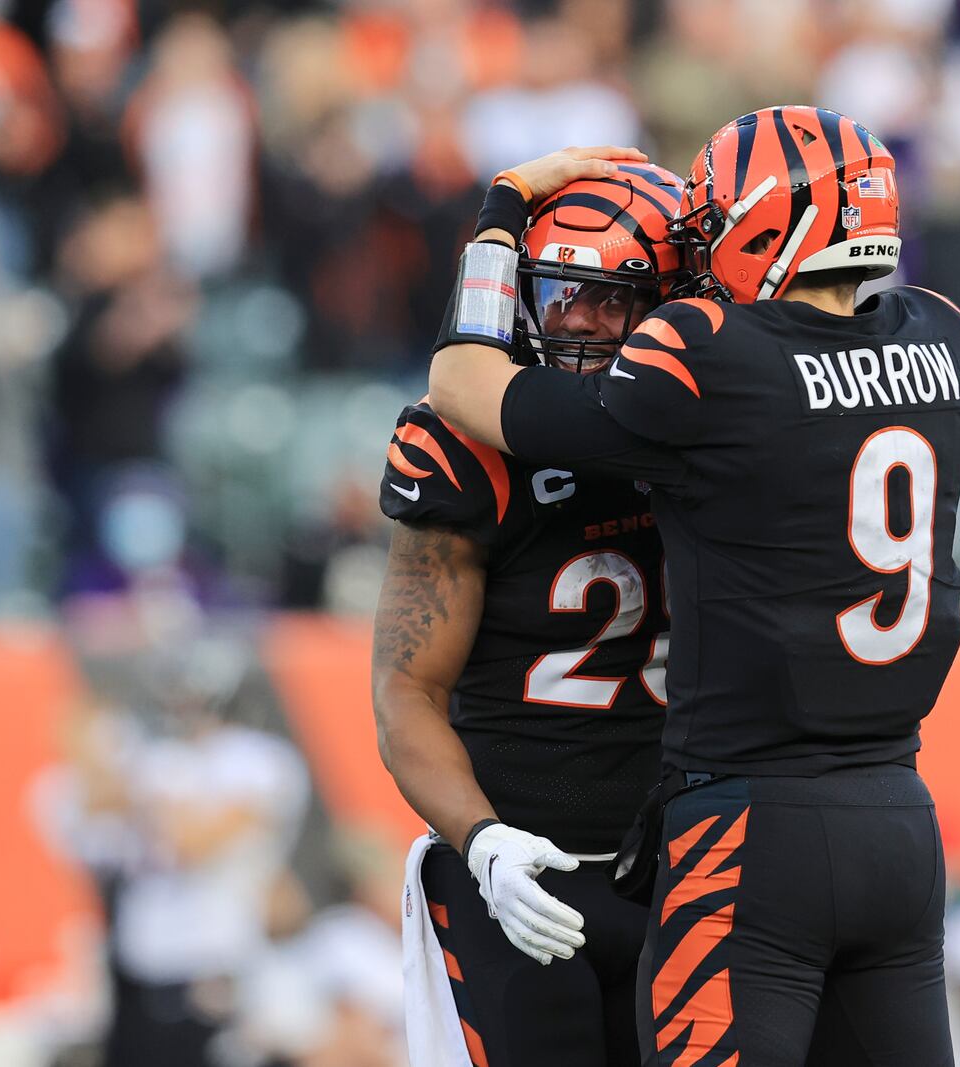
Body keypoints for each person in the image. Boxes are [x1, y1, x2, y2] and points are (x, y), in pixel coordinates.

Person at [428, 108, 960, 1065]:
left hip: (750, 828)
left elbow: (464, 383)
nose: (700, 250)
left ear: (767, 225)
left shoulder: (704, 354)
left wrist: (502, 212)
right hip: (899, 816)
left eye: (715, 224)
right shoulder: (948, 336)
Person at [371, 162, 686, 1066]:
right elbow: (406, 693)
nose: (576, 319)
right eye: (557, 292)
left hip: (676, 864)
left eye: (608, 297)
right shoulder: (467, 439)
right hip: (520, 869)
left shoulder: (712, 416)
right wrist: (486, 844)